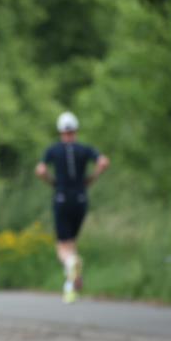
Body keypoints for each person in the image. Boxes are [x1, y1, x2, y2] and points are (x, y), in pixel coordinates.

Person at [35, 111, 110, 303]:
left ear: (61, 131)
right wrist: (91, 178)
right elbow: (103, 162)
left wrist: (51, 181)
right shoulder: (85, 149)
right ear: (75, 130)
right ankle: (71, 284)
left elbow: (41, 170)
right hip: (80, 198)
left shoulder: (53, 150)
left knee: (62, 245)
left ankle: (71, 265)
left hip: (61, 197)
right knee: (72, 241)